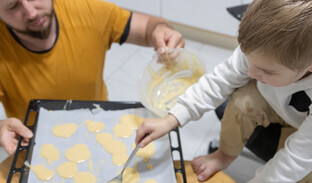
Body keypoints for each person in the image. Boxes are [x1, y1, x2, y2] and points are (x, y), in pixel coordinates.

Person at [135, 0, 312, 183]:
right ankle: (224, 155)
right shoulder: (264, 52)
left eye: (266, 71)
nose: (251, 73)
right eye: (249, 61)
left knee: (299, 180)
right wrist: (172, 119)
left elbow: (299, 158)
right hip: (275, 97)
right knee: (241, 100)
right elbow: (220, 80)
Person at [0, 0, 185, 155]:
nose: (31, 13)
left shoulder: (84, 9)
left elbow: (148, 26)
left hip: (99, 126)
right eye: (12, 6)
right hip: (37, 143)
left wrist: (160, 30)